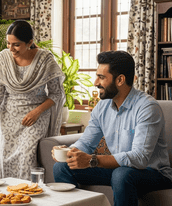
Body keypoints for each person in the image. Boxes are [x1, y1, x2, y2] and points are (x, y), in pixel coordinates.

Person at [52, 51, 172, 206]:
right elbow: (86, 144)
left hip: (154, 173)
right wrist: (70, 152)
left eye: (101, 77)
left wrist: (92, 160)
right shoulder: (102, 107)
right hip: (120, 171)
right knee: (62, 167)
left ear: (120, 79)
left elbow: (139, 158)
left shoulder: (147, 107)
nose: (95, 82)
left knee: (122, 174)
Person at [0, 20, 65, 180]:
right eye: (8, 43)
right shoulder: (3, 58)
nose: (10, 49)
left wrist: (37, 112)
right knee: (5, 162)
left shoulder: (45, 59)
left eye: (16, 45)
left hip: (34, 118)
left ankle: (29, 198)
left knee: (27, 159)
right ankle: (8, 200)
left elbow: (56, 94)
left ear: (30, 43)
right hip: (7, 118)